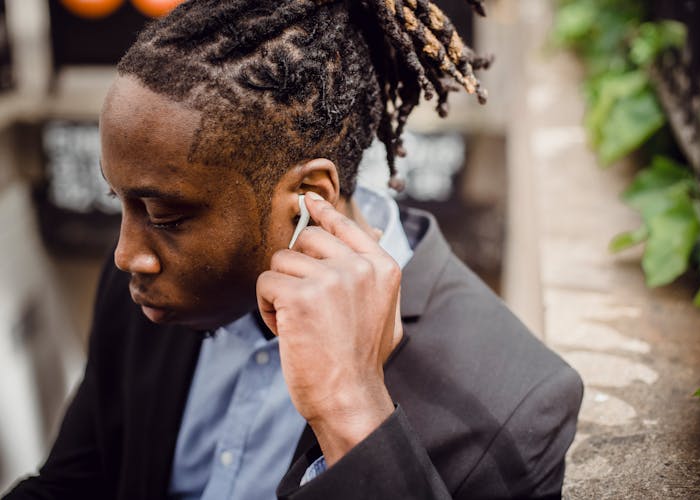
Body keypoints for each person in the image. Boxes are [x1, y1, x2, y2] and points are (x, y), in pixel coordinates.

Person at [3, 0, 583, 498]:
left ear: (308, 197)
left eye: (165, 216)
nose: (127, 254)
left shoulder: (515, 402)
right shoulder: (149, 290)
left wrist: (350, 411)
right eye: (119, 201)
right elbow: (74, 483)